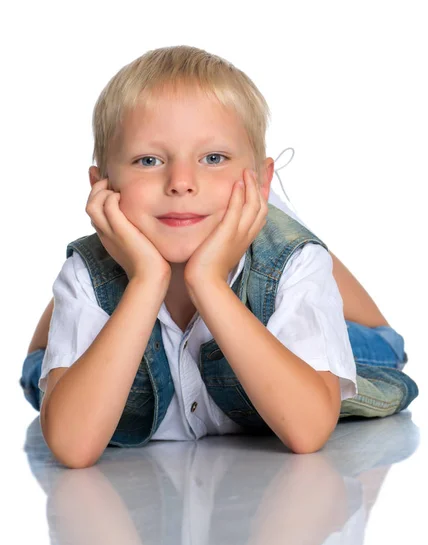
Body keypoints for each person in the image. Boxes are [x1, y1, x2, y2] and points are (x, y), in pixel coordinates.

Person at [19, 45, 418, 468]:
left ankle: (270, 213)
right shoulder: (87, 275)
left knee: (379, 353)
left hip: (272, 299)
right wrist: (145, 280)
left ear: (261, 181)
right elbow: (71, 445)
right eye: (148, 160)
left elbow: (308, 430)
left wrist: (206, 281)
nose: (181, 182)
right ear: (102, 184)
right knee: (39, 374)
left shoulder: (288, 267)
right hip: (122, 283)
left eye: (213, 158)